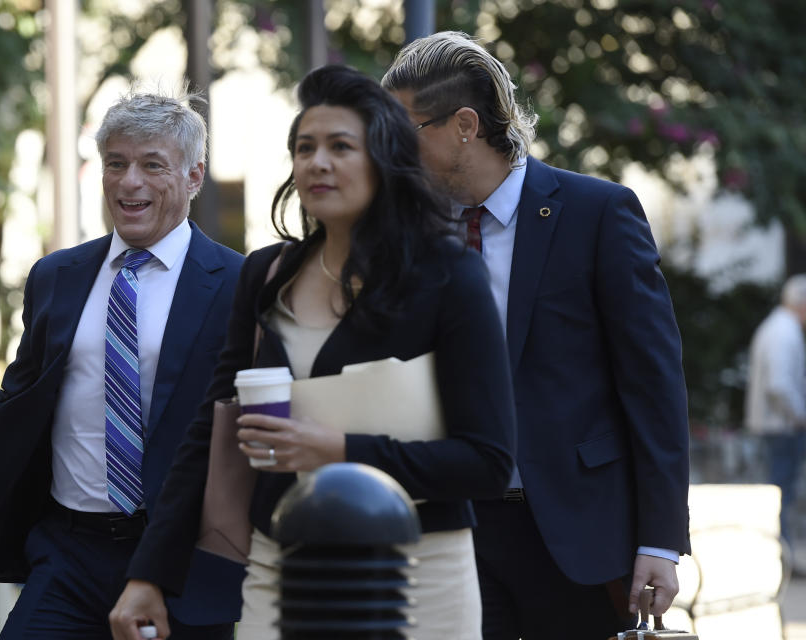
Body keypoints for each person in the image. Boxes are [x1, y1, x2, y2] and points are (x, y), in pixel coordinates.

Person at [109, 65, 516, 640]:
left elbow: (487, 462)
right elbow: (209, 433)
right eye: (305, 148)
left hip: (416, 572)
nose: (318, 162)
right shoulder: (267, 275)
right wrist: (149, 574)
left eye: (340, 147)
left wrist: (336, 450)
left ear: (383, 159)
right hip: (281, 566)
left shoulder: (449, 275)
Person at [0, 89, 245, 639]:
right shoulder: (57, 276)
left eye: (152, 165)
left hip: (183, 557)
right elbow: (18, 397)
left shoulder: (238, 284)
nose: (130, 181)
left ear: (194, 176)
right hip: (69, 552)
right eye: (116, 164)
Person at [381, 31, 691, 640]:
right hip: (449, 534)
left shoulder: (596, 213)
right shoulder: (405, 234)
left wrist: (661, 539)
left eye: (403, 131)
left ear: (465, 125)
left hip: (578, 538)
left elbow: (653, 383)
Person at [745, 274, 806, 550]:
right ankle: (782, 555)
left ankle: (781, 555)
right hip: (780, 428)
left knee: (776, 492)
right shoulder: (785, 331)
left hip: (775, 427)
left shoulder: (778, 327)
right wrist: (799, 416)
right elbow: (779, 385)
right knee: (780, 495)